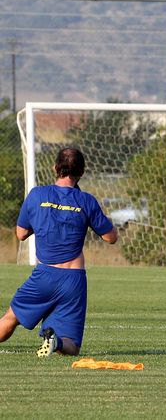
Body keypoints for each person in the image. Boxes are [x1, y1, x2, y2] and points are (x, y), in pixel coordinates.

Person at [0, 147, 118, 357]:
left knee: (9, 320)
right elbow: (111, 238)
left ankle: (53, 340)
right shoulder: (87, 201)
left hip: (45, 275)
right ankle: (56, 342)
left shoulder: (37, 195)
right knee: (71, 346)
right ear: (81, 173)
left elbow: (20, 234)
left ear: (55, 168)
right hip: (73, 279)